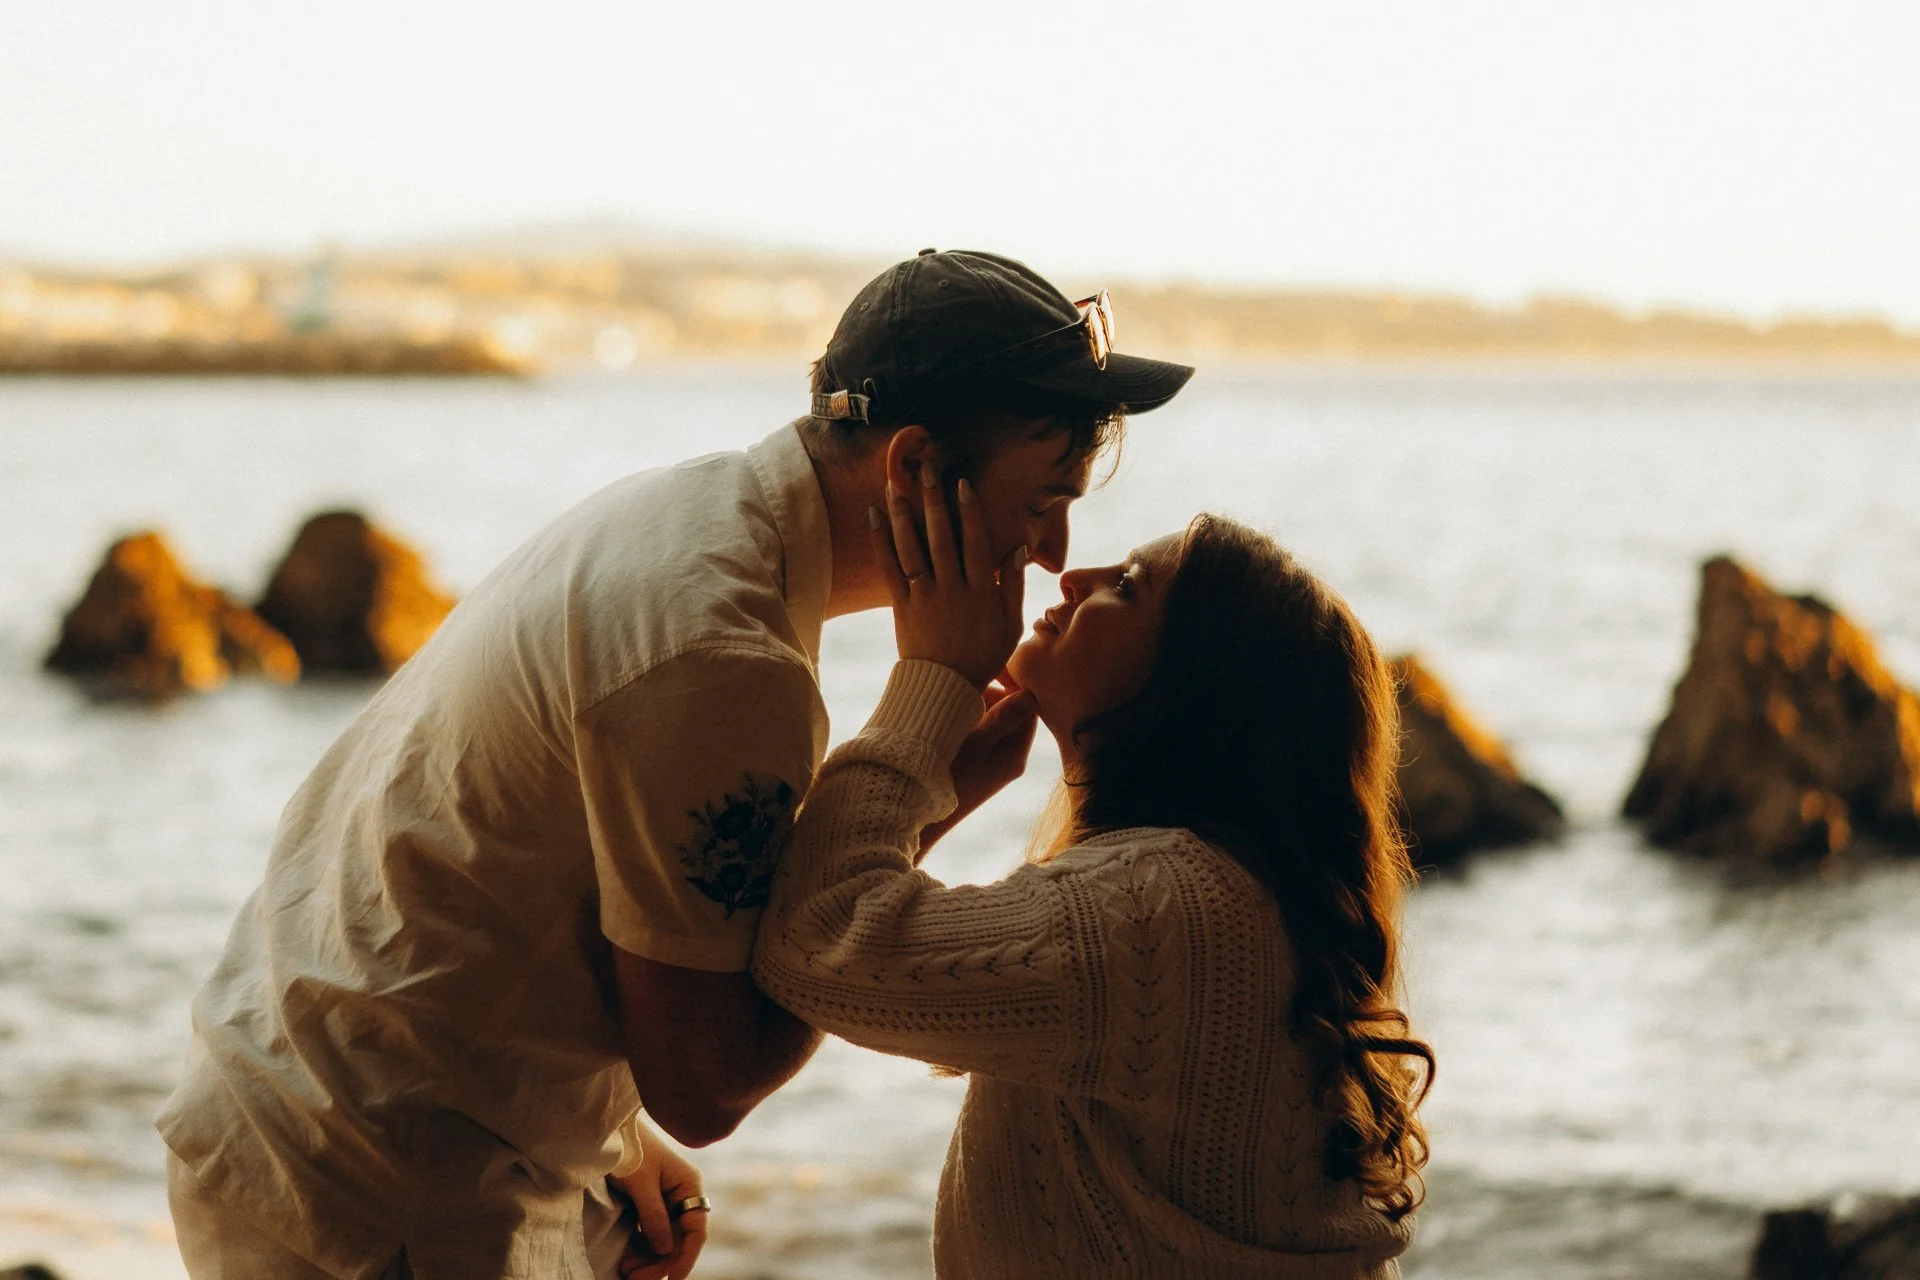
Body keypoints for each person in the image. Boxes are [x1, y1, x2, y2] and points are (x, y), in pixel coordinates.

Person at [156, 250, 1193, 1279]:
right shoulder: (721, 658)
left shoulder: (684, 516)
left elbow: (505, 877)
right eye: (1040, 501)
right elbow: (707, 1086)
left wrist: (603, 1134)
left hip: (295, 1099)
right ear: (915, 467)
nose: (1054, 551)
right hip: (379, 1193)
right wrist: (927, 741)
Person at [752, 480, 1435, 1278]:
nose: (1074, 577)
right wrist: (940, 796)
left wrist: (931, 680)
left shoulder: (1161, 907)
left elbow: (815, 940)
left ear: (1197, 690)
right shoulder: (1213, 897)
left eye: (1130, 587)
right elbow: (851, 950)